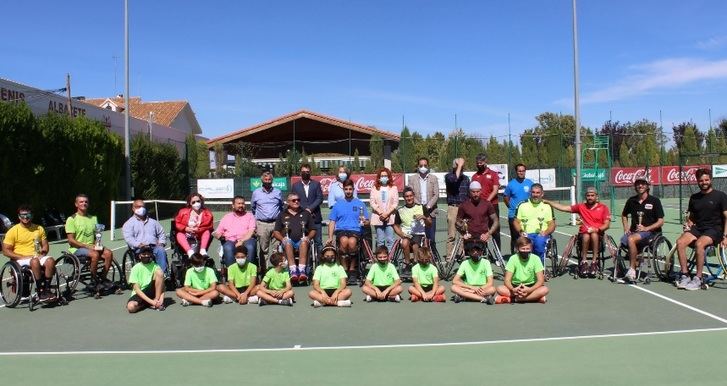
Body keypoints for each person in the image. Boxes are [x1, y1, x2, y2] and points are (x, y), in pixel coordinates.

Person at [675, 168, 727, 290]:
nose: (704, 182)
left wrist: (725, 236)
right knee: (680, 242)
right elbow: (692, 217)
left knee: (699, 244)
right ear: (697, 181)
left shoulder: (721, 196)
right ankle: (685, 275)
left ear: (711, 180)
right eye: (701, 180)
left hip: (714, 230)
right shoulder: (694, 198)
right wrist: (688, 224)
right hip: (698, 229)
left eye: (706, 180)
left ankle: (698, 278)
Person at [546, 187, 611, 278]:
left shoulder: (604, 208)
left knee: (594, 234)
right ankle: (583, 262)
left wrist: (596, 229)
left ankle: (594, 262)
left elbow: (607, 225)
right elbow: (564, 208)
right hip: (583, 236)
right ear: (585, 197)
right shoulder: (581, 206)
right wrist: (549, 202)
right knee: (586, 236)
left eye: (592, 195)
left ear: (597, 196)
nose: (590, 197)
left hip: (598, 235)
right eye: (588, 195)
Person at [1, 205, 56, 300]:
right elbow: (5, 251)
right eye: (23, 215)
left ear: (32, 216)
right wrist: (21, 257)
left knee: (50, 261)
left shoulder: (39, 228)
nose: (25, 217)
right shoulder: (13, 231)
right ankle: (40, 290)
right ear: (19, 217)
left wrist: (43, 254)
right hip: (21, 259)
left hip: (37, 256)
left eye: (28, 215)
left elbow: (45, 245)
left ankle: (47, 289)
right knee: (34, 261)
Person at [66, 194, 116, 293]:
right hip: (77, 249)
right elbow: (71, 240)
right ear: (76, 204)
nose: (84, 203)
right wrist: (88, 246)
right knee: (95, 254)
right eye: (81, 202)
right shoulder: (71, 219)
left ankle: (103, 278)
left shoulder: (93, 218)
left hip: (92, 247)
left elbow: (97, 235)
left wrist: (97, 244)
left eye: (86, 202)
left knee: (108, 253)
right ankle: (94, 280)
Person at [619, 179, 665, 283]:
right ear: (635, 186)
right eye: (638, 184)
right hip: (635, 232)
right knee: (624, 240)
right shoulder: (631, 200)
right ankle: (634, 260)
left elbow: (661, 221)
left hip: (651, 232)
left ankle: (632, 270)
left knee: (631, 239)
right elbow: (624, 215)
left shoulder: (654, 201)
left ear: (647, 186)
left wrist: (646, 228)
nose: (640, 186)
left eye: (643, 184)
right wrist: (626, 228)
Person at [327, 179, 369, 283]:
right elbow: (332, 222)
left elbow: (367, 222)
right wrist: (330, 237)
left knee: (352, 242)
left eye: (350, 189)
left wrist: (365, 221)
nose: (348, 191)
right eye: (346, 189)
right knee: (344, 241)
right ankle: (344, 269)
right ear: (344, 190)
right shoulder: (337, 205)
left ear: (353, 190)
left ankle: (352, 270)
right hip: (341, 230)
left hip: (355, 230)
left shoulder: (360, 204)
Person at [272, 193, 315, 284]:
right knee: (287, 243)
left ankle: (302, 270)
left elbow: (313, 230)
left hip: (302, 241)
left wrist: (308, 237)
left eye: (298, 200)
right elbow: (276, 232)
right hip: (288, 242)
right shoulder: (282, 214)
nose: (296, 202)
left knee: (303, 242)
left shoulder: (306, 213)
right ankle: (293, 270)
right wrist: (282, 239)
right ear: (288, 202)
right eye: (294, 200)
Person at [496, 237, 549, 304]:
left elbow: (540, 280)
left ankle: (516, 299)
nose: (525, 251)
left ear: (531, 249)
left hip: (531, 286)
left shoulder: (536, 259)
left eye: (527, 249)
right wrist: (513, 289)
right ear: (518, 249)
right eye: (523, 249)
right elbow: (507, 280)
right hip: (515, 286)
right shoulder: (513, 259)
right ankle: (534, 298)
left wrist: (529, 290)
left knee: (545, 289)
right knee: (499, 289)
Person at [122, 198, 168, 274]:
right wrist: (139, 245)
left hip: (154, 247)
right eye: (138, 206)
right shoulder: (128, 224)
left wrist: (161, 243)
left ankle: (162, 275)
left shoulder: (153, 222)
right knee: (145, 254)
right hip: (139, 249)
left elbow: (161, 233)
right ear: (133, 208)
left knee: (160, 250)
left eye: (143, 206)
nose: (141, 208)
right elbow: (129, 238)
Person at [392, 187, 432, 275]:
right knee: (405, 243)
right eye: (407, 196)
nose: (409, 198)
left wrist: (424, 217)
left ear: (413, 196)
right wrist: (402, 234)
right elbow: (395, 225)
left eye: (410, 196)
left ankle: (415, 263)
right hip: (406, 235)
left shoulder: (421, 207)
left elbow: (430, 223)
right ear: (404, 198)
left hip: (419, 234)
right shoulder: (400, 210)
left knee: (415, 244)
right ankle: (407, 264)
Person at [513, 183, 555, 264]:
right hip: (526, 234)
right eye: (533, 192)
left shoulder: (547, 206)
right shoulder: (522, 205)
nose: (535, 195)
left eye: (538, 193)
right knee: (524, 246)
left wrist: (545, 233)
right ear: (530, 193)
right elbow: (516, 221)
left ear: (542, 194)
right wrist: (521, 231)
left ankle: (539, 269)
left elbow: (552, 224)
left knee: (539, 243)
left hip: (541, 235)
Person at [251, 171, 283, 270]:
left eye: (269, 180)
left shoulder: (278, 192)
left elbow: (281, 207)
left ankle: (276, 270)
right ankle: (264, 270)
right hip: (262, 224)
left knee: (276, 249)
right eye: (265, 180)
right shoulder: (256, 193)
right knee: (263, 249)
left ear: (272, 181)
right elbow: (253, 208)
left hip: (276, 224)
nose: (267, 181)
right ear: (262, 181)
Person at [213, 195, 257, 268]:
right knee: (228, 247)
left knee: (250, 246)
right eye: (238, 203)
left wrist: (241, 241)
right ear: (233, 205)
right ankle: (232, 272)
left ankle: (249, 271)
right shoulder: (227, 217)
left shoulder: (250, 216)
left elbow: (251, 231)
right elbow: (218, 232)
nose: (241, 205)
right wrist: (218, 235)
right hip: (230, 240)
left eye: (242, 203)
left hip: (246, 239)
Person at [407, 157, 439, 251]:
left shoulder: (434, 178)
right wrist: (420, 207)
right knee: (417, 239)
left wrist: (428, 206)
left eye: (425, 165)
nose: (423, 167)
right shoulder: (412, 179)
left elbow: (436, 194)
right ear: (418, 166)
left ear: (428, 166)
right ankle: (419, 258)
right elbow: (411, 194)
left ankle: (433, 257)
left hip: (431, 212)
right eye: (421, 165)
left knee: (431, 238)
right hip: (417, 211)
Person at [291, 163, 324, 253]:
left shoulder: (316, 184)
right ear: (300, 173)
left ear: (310, 172)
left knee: (318, 242)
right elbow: (294, 199)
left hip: (315, 218)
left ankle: (320, 264)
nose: (305, 173)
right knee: (304, 242)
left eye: (307, 172)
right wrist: (304, 210)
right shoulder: (295, 186)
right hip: (302, 219)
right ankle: (306, 264)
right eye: (303, 172)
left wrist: (310, 208)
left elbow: (319, 198)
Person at [471, 153, 501, 249]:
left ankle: (498, 254)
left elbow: (495, 190)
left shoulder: (493, 174)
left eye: (481, 163)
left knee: (495, 231)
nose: (479, 165)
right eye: (477, 163)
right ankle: (483, 252)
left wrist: (487, 201)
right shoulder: (474, 176)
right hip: (479, 208)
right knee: (480, 230)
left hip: (492, 205)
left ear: (485, 162)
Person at [456, 181, 499, 246]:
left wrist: (488, 234)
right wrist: (463, 234)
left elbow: (495, 221)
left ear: (481, 191)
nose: (476, 194)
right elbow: (457, 222)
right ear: (469, 192)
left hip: (483, 238)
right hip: (469, 238)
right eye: (473, 192)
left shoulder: (487, 204)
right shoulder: (463, 205)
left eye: (478, 192)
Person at [504, 163, 534, 254]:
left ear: (525, 171)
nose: (521, 172)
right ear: (516, 172)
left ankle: (527, 254)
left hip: (527, 215)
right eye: (519, 171)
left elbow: (533, 196)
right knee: (515, 237)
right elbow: (506, 198)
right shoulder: (511, 184)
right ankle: (514, 255)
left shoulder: (530, 183)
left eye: (523, 171)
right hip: (514, 216)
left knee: (527, 236)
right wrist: (511, 207)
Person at [126, 246, 165, 313]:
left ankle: (156, 299)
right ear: (140, 256)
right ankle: (147, 304)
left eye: (148, 254)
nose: (146, 255)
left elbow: (162, 285)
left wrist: (161, 298)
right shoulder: (135, 268)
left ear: (151, 255)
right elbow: (137, 289)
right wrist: (152, 302)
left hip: (152, 292)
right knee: (131, 307)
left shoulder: (156, 266)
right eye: (144, 254)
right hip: (140, 293)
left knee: (159, 272)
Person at [173, 193, 214, 258]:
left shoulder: (208, 214)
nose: (196, 203)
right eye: (193, 202)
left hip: (199, 235)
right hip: (187, 234)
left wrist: (198, 230)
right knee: (179, 234)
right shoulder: (183, 212)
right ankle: (190, 252)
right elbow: (177, 223)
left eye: (198, 201)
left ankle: (202, 250)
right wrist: (185, 228)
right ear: (190, 203)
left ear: (201, 201)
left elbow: (209, 226)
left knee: (207, 232)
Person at [444, 157, 470, 257]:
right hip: (453, 208)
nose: (461, 166)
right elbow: (455, 180)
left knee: (464, 233)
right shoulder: (449, 176)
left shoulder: (466, 178)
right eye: (459, 165)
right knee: (452, 235)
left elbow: (468, 194)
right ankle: (449, 256)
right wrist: (459, 165)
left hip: (463, 208)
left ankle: (461, 254)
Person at [369, 167, 399, 251]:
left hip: (390, 218)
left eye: (385, 175)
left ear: (389, 177)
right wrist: (381, 213)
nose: (384, 177)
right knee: (380, 241)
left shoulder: (394, 188)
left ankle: (391, 259)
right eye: (382, 176)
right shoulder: (374, 188)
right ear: (379, 177)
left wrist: (387, 214)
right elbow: (372, 202)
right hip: (378, 218)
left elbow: (395, 203)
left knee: (390, 240)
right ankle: (380, 259)